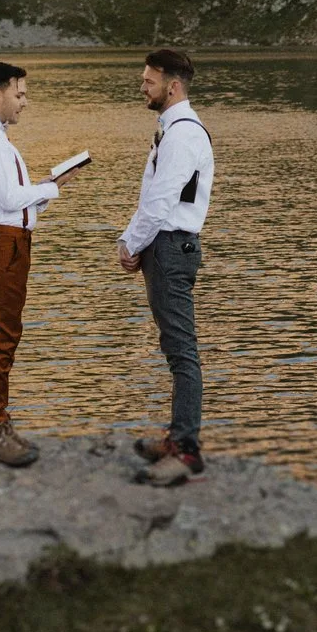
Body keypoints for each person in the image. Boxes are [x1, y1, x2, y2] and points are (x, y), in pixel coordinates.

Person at [0, 60, 78, 466]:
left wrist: (48, 191)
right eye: (20, 94)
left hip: (6, 239)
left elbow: (13, 204)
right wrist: (47, 187)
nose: (24, 103)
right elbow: (11, 201)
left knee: (5, 333)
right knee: (0, 336)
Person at [116, 47, 214, 486]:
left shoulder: (183, 135)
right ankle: (177, 436)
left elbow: (160, 201)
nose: (143, 85)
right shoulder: (172, 130)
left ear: (172, 87)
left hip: (171, 247)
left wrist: (129, 243)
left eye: (149, 80)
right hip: (167, 246)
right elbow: (154, 198)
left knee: (181, 351)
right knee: (175, 348)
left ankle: (186, 450)